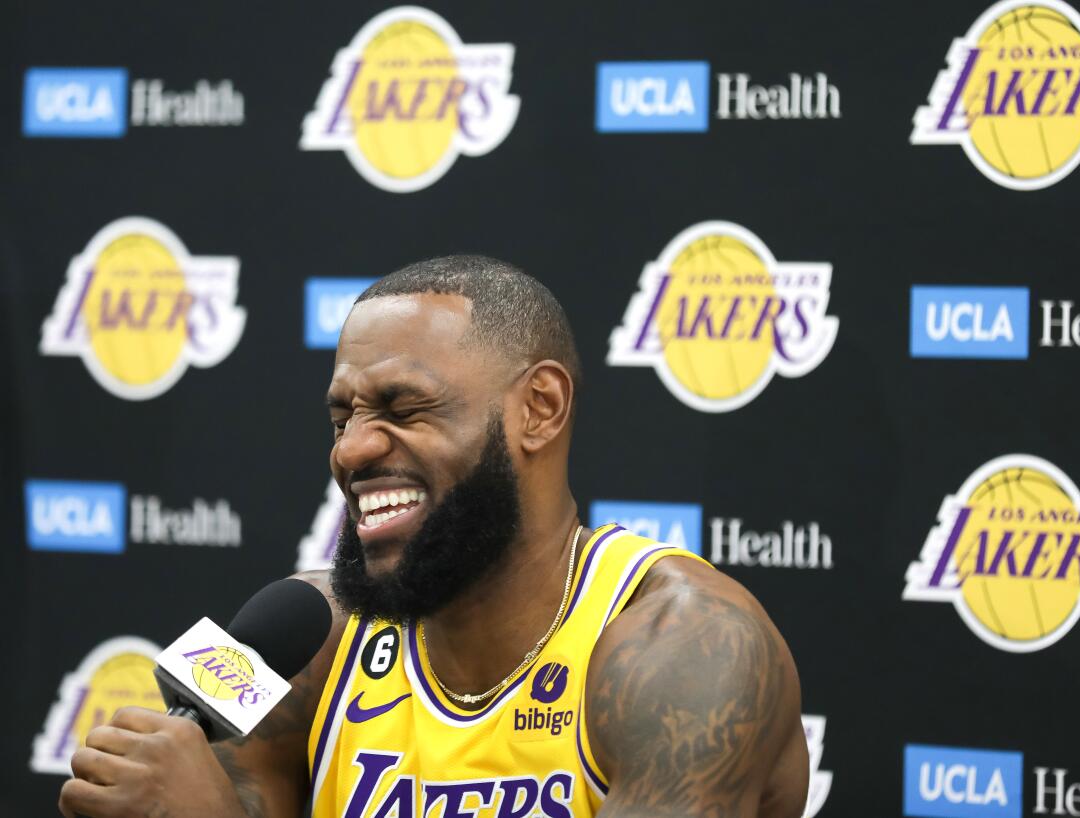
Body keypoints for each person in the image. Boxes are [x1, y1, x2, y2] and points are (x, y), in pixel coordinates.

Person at [59, 255, 810, 818]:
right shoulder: (300, 633)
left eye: (403, 407)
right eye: (342, 416)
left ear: (539, 409)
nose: (351, 450)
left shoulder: (691, 650)